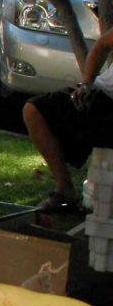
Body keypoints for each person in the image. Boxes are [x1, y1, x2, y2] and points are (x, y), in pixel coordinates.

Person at [23, 26, 113, 213]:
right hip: (101, 94)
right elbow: (102, 45)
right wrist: (86, 84)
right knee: (34, 110)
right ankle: (64, 189)